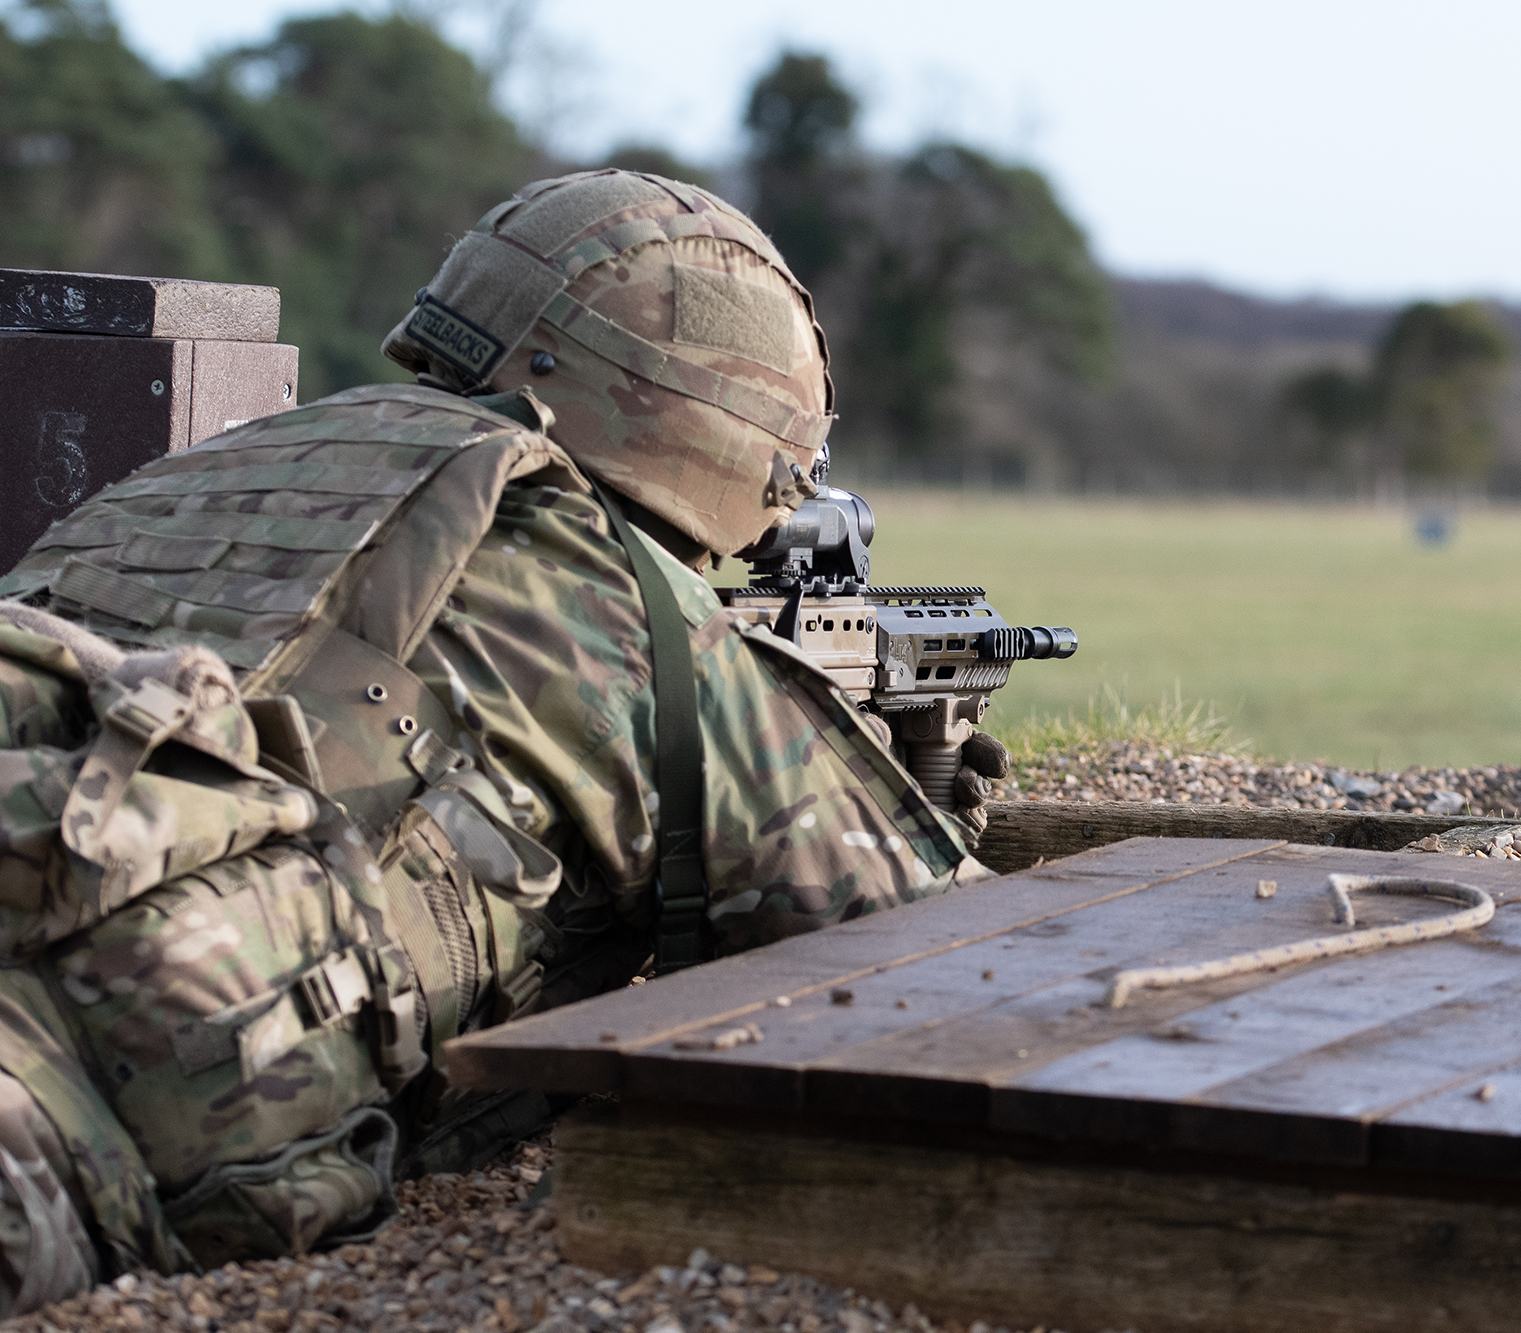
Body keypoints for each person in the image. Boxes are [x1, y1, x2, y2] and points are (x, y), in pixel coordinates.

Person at [0, 169, 1004, 1311]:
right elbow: (926, 974)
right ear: (736, 437)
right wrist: (899, 785)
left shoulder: (208, 470)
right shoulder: (616, 589)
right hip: (76, 1135)